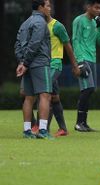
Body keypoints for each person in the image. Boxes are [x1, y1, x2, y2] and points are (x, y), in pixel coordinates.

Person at [15, 0, 53, 139]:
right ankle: (43, 131)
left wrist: (22, 62)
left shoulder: (25, 23)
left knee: (29, 97)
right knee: (45, 95)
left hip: (27, 64)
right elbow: (35, 43)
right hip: (40, 63)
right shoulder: (41, 23)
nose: (50, 8)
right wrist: (25, 63)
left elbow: (18, 44)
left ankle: (27, 131)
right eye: (48, 5)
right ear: (41, 7)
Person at [72, 0, 100, 132]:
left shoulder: (94, 23)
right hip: (83, 59)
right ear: (88, 7)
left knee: (90, 90)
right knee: (87, 89)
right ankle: (78, 123)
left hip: (92, 59)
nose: (98, 10)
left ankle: (84, 123)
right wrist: (79, 61)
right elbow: (75, 40)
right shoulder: (79, 20)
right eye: (96, 7)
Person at [46, 11, 81, 136]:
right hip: (43, 64)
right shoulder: (38, 25)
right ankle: (63, 129)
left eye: (48, 5)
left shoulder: (57, 26)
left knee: (45, 93)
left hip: (55, 64)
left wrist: (75, 66)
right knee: (54, 97)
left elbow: (68, 46)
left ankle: (43, 129)